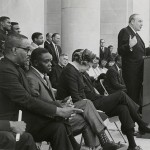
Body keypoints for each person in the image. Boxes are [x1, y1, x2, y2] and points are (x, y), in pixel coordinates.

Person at [0, 34, 83, 150]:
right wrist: (58, 111)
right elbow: (25, 99)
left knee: (58, 126)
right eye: (27, 49)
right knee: (59, 120)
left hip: (24, 117)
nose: (29, 53)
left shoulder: (17, 68)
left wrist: (57, 105)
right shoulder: (5, 69)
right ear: (14, 50)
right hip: (14, 121)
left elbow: (31, 97)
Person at [27, 48, 103, 149]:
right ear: (35, 62)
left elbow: (50, 100)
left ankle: (95, 146)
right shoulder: (31, 78)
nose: (51, 64)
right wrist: (60, 106)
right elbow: (34, 104)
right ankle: (100, 141)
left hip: (55, 114)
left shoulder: (43, 76)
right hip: (45, 121)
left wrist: (63, 102)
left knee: (86, 119)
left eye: (51, 60)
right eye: (46, 61)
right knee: (86, 106)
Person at [57, 49, 126, 150]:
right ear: (83, 63)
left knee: (89, 114)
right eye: (88, 66)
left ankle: (99, 145)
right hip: (66, 106)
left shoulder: (75, 70)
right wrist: (90, 107)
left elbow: (79, 95)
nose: (88, 69)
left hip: (74, 104)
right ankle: (103, 142)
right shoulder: (70, 70)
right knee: (88, 106)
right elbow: (76, 97)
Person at [118, 14, 146, 107]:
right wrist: (129, 46)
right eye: (140, 21)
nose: (142, 24)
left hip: (139, 71)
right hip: (132, 73)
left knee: (137, 98)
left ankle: (136, 118)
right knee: (133, 97)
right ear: (132, 21)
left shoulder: (135, 34)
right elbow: (120, 50)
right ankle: (131, 119)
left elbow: (141, 51)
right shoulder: (125, 31)